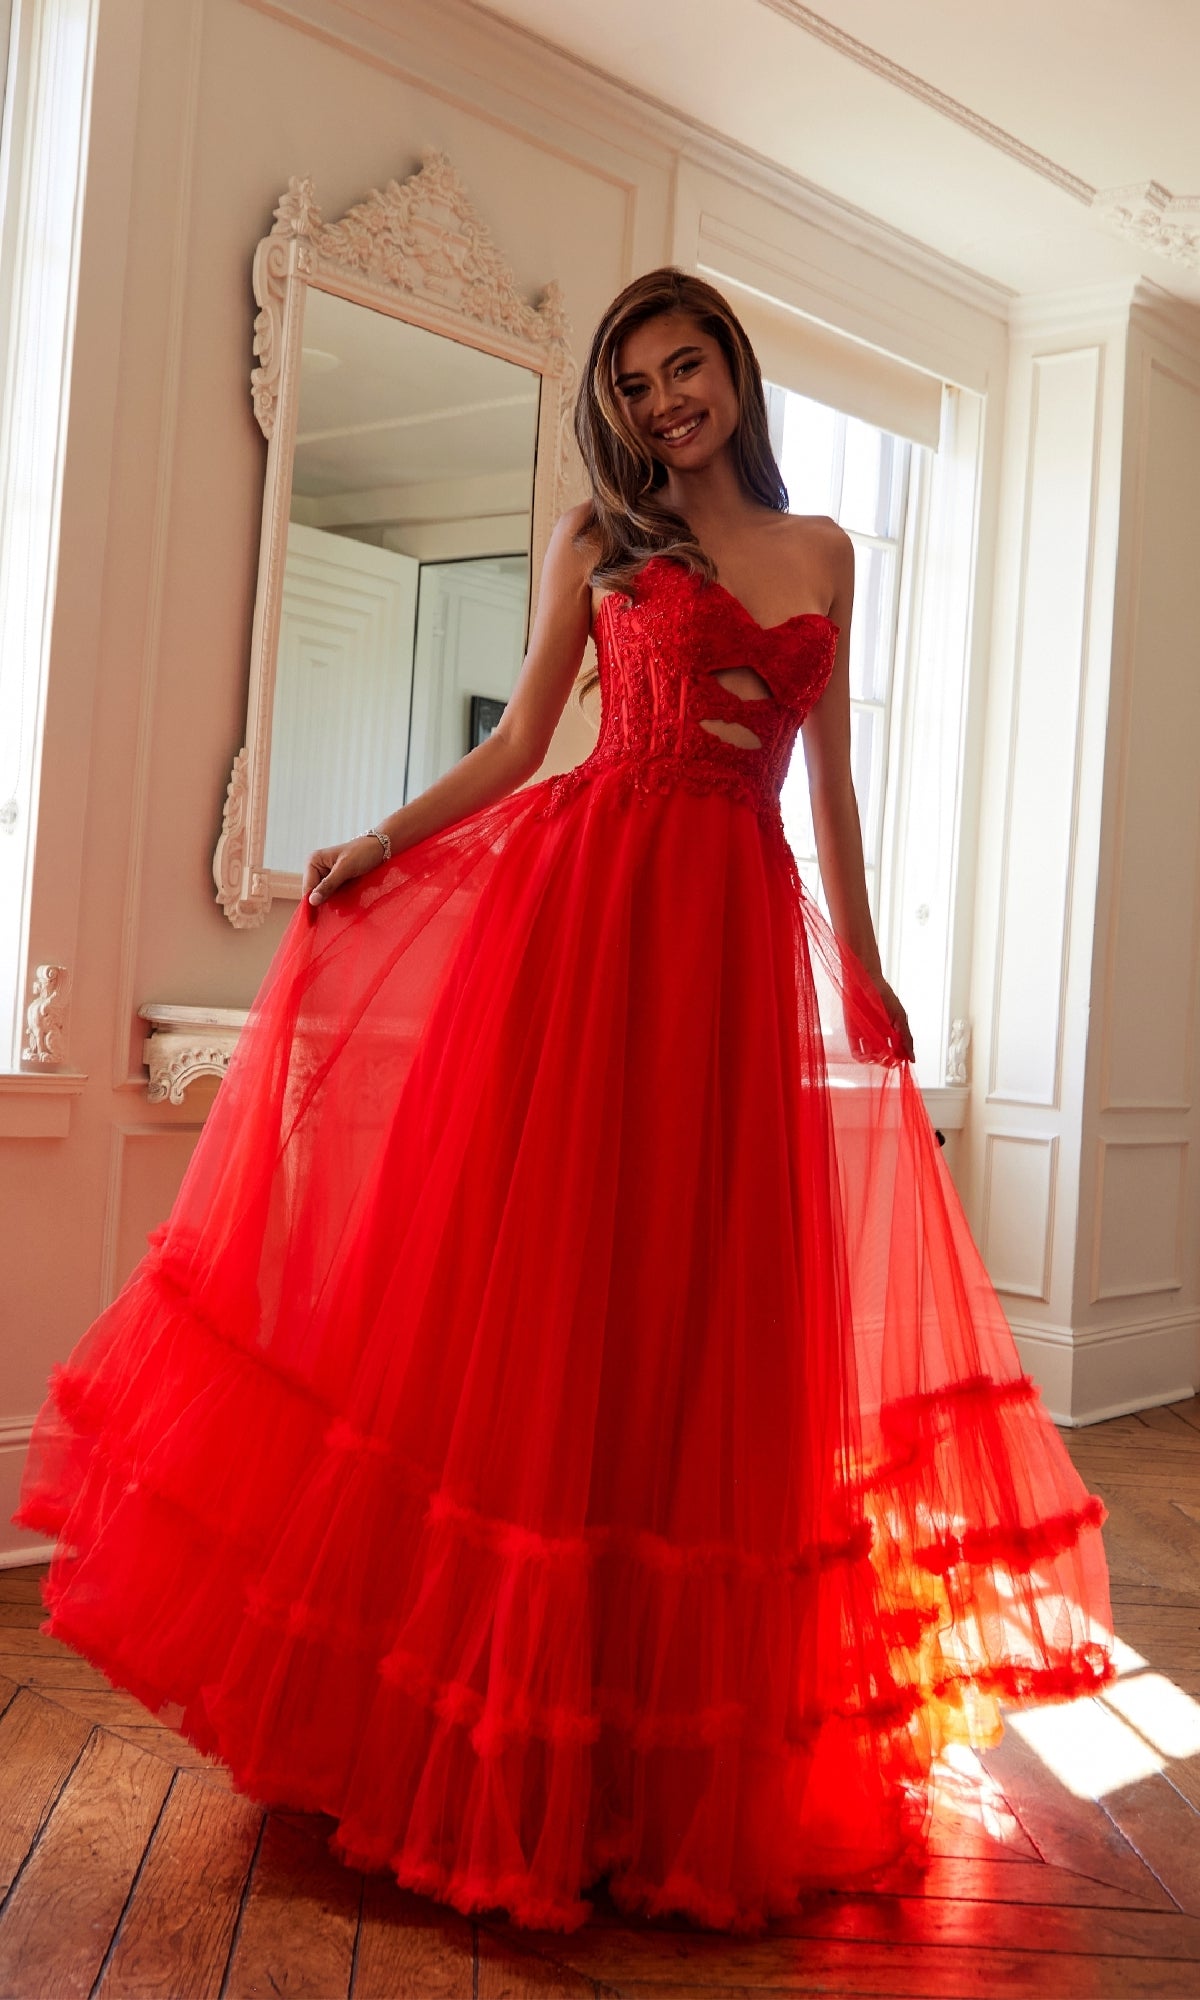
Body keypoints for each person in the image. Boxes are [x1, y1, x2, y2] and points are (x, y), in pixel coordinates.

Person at [15, 267, 1114, 1937]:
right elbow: (527, 744)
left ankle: (645, 1764)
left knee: (688, 1320)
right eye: (641, 381)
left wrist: (872, 975)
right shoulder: (600, 545)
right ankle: (474, 1738)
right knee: (538, 1305)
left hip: (733, 946)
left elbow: (836, 801)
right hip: (592, 923)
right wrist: (378, 845)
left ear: (734, 370)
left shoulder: (823, 558)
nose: (670, 400)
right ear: (620, 406)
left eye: (690, 366)